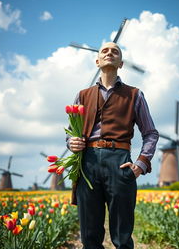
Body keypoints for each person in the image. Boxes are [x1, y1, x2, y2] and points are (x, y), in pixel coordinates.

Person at [67, 42, 159, 249]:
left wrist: (141, 164)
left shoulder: (135, 95)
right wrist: (71, 142)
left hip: (120, 162)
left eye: (115, 51)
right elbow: (71, 133)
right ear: (97, 61)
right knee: (89, 236)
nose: (110, 53)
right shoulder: (82, 95)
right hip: (87, 164)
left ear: (121, 63)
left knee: (122, 235)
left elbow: (150, 133)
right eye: (105, 51)